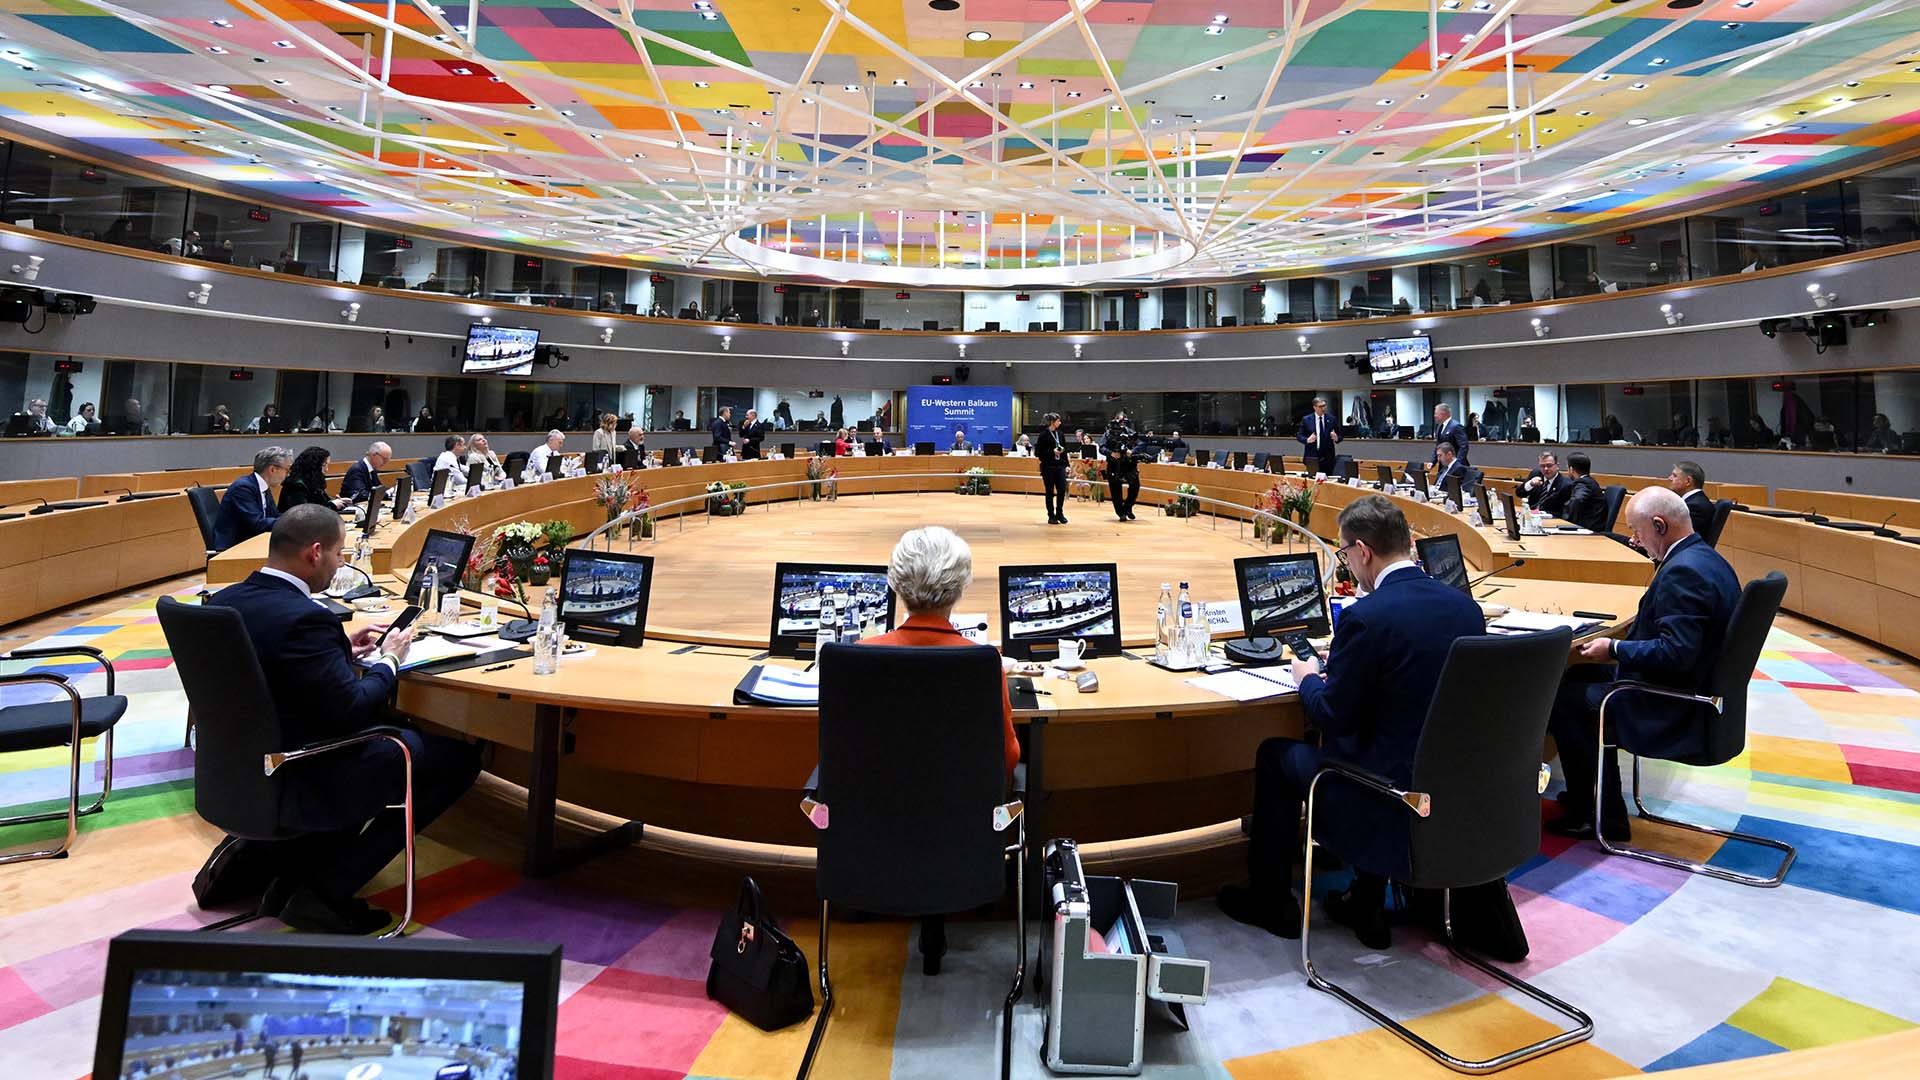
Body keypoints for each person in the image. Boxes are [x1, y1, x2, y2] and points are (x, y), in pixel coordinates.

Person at [1217, 495, 1484, 945]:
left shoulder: (1366, 617)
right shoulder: (1464, 609)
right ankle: (1366, 899)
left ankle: (1270, 901)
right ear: (1409, 543)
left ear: (1362, 552)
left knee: (1276, 756)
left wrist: (1306, 678)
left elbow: (1331, 717)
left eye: (1344, 553)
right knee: (1386, 737)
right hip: (1448, 786)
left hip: (1381, 792)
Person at [206, 505, 480, 933]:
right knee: (450, 759)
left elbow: (270, 668)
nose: (341, 565)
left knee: (403, 740)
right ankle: (326, 891)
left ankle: (296, 877)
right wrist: (390, 658)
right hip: (299, 772)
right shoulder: (306, 618)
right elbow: (352, 707)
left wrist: (338, 654)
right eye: (339, 554)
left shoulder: (227, 601)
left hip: (235, 771)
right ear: (315, 553)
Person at [858, 525, 1019, 974]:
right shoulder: (982, 663)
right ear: (962, 587)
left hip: (874, 829)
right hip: (964, 830)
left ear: (895, 583)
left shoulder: (860, 656)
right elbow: (1007, 759)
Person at [1547, 487, 1739, 840]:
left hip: (1674, 704)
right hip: (1698, 689)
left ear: (1659, 525)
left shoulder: (1685, 573)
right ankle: (1589, 797)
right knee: (1579, 674)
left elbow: (1676, 653)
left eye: (1637, 531)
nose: (1635, 541)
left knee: (1566, 704)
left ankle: (1599, 816)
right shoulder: (1707, 558)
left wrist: (1616, 647)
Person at [212, 447, 290, 551]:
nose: (288, 474)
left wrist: (294, 518)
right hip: (233, 548)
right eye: (287, 470)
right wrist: (290, 523)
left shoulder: (261, 486)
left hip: (250, 542)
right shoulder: (243, 488)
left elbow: (274, 515)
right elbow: (257, 524)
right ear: (272, 469)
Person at [1540, 451, 1607, 531]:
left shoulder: (1583, 483)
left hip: (1588, 529)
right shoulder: (1589, 481)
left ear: (1571, 469)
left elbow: (1577, 499)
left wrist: (1565, 520)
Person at [277, 447, 344, 513]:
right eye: (324, 465)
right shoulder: (296, 485)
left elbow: (320, 503)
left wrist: (336, 501)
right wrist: (332, 505)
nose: (327, 469)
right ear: (313, 466)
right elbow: (302, 512)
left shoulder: (313, 481)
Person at [1102, 411, 1140, 521]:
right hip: (1114, 464)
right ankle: (1120, 512)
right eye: (1119, 421)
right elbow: (1102, 447)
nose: (1121, 424)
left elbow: (1140, 444)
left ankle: (1128, 507)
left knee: (1135, 486)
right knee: (1115, 489)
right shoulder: (1108, 433)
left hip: (1129, 464)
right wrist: (1111, 453)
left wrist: (1131, 451)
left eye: (1124, 421)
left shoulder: (1131, 433)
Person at [1037, 412, 1069, 525]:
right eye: (1058, 421)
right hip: (1048, 467)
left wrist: (1067, 465)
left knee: (1061, 489)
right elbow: (1038, 453)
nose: (1060, 423)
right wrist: (1052, 452)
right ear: (1052, 422)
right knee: (1049, 491)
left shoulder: (1060, 434)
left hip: (1060, 466)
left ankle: (1059, 512)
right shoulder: (1043, 435)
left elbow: (1064, 450)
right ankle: (1051, 515)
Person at [1668, 460, 1714, 538]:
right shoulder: (1694, 501)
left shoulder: (1695, 507)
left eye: (1674, 476)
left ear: (1688, 481)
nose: (1669, 478)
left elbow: (1681, 538)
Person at [1296, 396, 1340, 476]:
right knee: (1312, 482)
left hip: (1328, 457)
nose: (1323, 408)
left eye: (1324, 406)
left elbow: (1340, 435)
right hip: (1312, 456)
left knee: (1328, 482)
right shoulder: (1306, 419)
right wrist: (1307, 440)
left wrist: (1337, 438)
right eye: (1320, 406)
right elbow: (1299, 435)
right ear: (1314, 407)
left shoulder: (1332, 419)